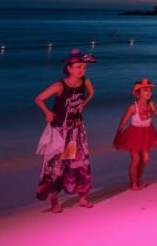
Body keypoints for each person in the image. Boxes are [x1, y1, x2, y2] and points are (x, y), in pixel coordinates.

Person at [34, 49, 97, 213]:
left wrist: (83, 104)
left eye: (83, 67)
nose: (82, 70)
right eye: (78, 67)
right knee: (58, 164)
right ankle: (54, 200)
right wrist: (47, 112)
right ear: (69, 68)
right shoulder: (59, 85)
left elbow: (92, 93)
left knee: (79, 162)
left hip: (77, 130)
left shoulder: (85, 82)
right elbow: (38, 99)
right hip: (61, 131)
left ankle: (82, 197)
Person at [113, 79, 157, 190]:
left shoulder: (151, 104)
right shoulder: (133, 107)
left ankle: (138, 180)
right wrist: (118, 134)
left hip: (147, 132)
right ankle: (133, 184)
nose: (148, 92)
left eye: (150, 90)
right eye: (145, 90)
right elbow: (124, 121)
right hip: (134, 134)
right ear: (138, 94)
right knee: (136, 159)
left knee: (146, 159)